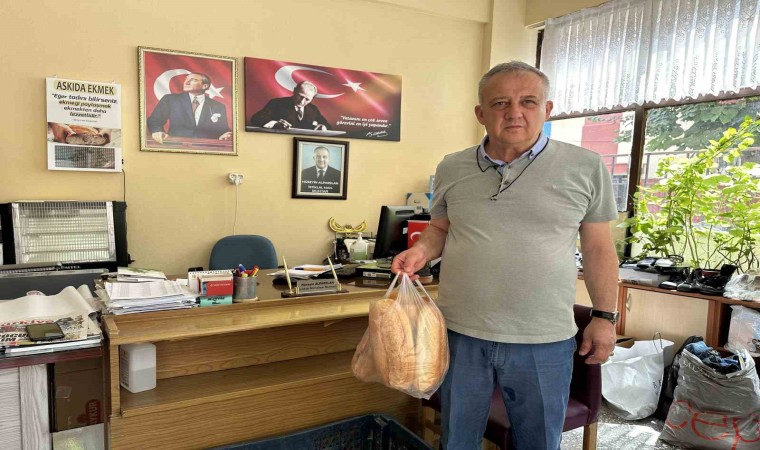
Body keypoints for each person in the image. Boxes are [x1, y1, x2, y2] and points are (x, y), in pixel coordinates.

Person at [392, 61, 619, 450]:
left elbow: (599, 248)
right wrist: (420, 251)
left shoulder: (585, 166)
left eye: (528, 101)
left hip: (543, 338)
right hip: (460, 333)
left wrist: (604, 317)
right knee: (457, 440)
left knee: (538, 442)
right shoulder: (452, 166)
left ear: (547, 110)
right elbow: (440, 229)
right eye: (500, 103)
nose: (514, 112)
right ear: (480, 113)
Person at [147, 73, 232, 143]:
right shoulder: (170, 99)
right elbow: (155, 120)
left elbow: (223, 130)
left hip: (207, 149)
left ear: (205, 86)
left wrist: (227, 134)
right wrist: (157, 131)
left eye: (193, 80)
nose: (186, 82)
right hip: (176, 146)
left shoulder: (218, 106)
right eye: (186, 79)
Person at [249, 81, 331, 131]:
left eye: (307, 99)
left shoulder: (313, 109)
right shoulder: (277, 103)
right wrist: (275, 124)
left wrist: (323, 126)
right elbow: (256, 119)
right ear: (294, 91)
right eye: (300, 96)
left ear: (312, 98)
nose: (302, 101)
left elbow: (328, 127)